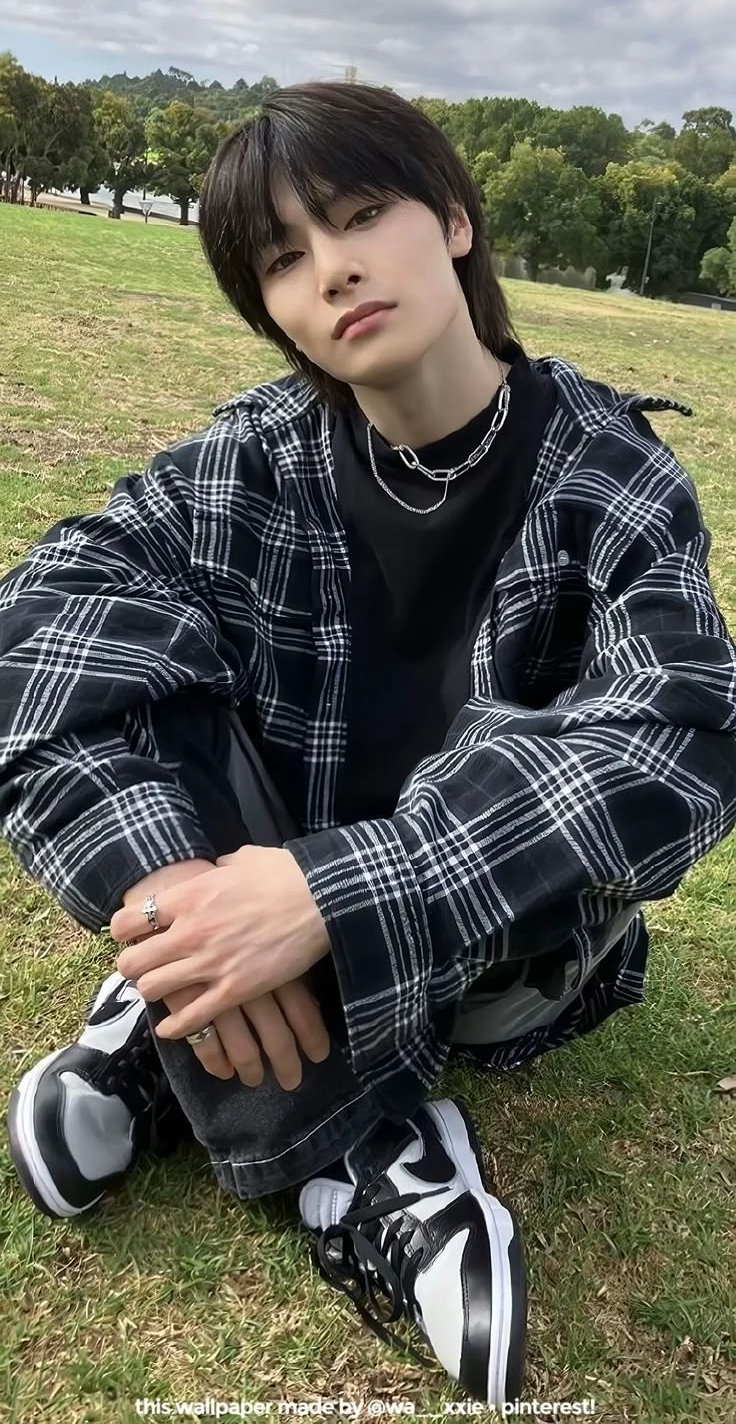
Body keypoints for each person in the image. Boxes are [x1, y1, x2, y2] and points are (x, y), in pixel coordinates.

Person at [2, 80, 736, 1409]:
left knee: (563, 783)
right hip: (247, 886)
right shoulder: (254, 458)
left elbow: (679, 739)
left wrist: (329, 894)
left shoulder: (609, 473)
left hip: (501, 966)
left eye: (355, 216)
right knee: (139, 677)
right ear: (268, 309)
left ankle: (168, 1028)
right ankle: (359, 1139)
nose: (330, 269)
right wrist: (175, 891)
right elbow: (37, 633)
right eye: (282, 259)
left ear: (452, 220)